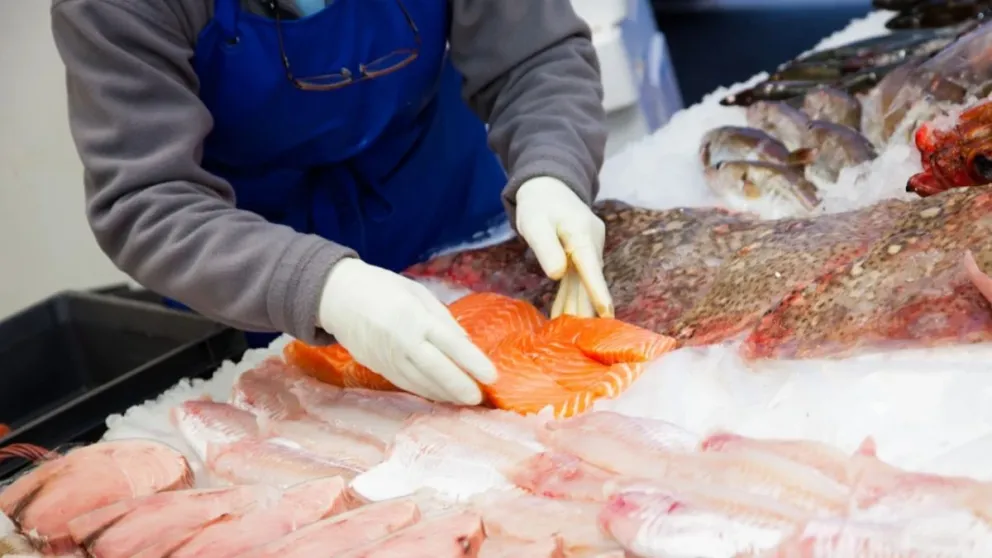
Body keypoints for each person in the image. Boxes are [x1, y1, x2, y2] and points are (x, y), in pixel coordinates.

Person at [52, 0, 614, 406]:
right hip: (257, 281)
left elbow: (536, 59)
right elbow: (149, 200)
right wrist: (322, 288)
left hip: (453, 220)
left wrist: (552, 170)